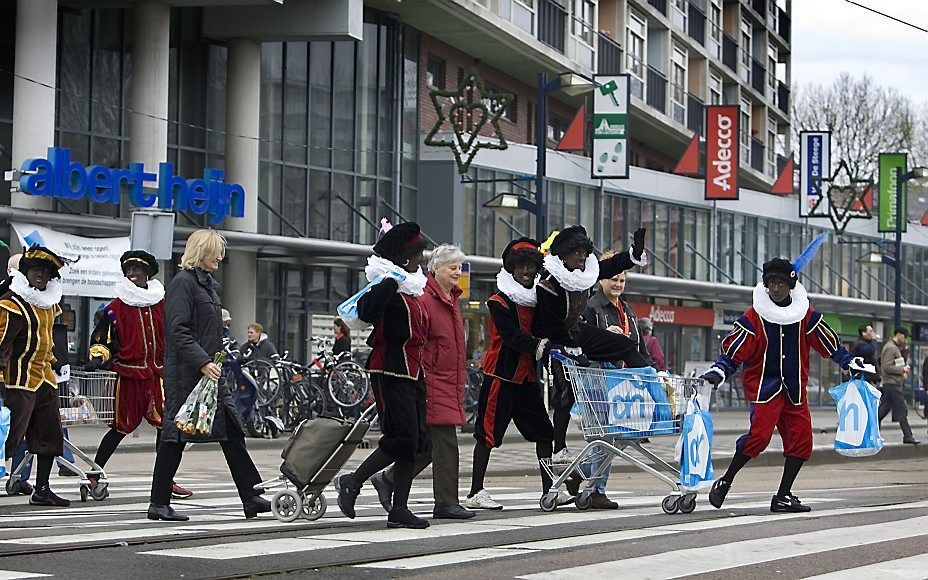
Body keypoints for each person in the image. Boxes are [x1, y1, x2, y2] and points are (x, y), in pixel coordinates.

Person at [700, 257, 865, 513]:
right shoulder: (754, 317)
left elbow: (830, 345)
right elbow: (733, 353)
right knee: (758, 438)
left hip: (795, 391)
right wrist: (718, 371)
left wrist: (849, 362)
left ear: (790, 284)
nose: (775, 288)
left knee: (801, 441)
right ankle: (726, 481)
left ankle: (783, 496)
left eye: (780, 283)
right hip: (765, 390)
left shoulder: (805, 315)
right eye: (770, 283)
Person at [148, 230, 269, 522]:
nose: (220, 257)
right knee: (175, 436)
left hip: (209, 374)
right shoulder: (183, 284)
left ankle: (251, 495)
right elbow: (177, 331)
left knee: (232, 431)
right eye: (215, 251)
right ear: (200, 251)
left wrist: (212, 362)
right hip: (187, 374)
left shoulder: (206, 286)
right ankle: (158, 502)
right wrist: (203, 362)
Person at [463, 238, 574, 511]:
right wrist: (542, 344)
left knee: (544, 433)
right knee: (487, 434)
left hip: (525, 378)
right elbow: (512, 337)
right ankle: (475, 492)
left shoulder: (538, 299)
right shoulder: (498, 301)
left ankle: (550, 491)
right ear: (512, 268)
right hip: (500, 376)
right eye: (521, 265)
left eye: (531, 266)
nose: (526, 270)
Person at [334, 222, 431, 530]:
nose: (421, 261)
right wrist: (386, 284)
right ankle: (352, 481)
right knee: (400, 437)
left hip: (412, 371)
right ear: (404, 258)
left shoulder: (410, 288)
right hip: (389, 369)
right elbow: (364, 312)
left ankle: (399, 508)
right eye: (417, 255)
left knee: (415, 441)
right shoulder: (388, 284)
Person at [373, 244, 475, 520]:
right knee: (445, 442)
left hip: (446, 379)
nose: (457, 271)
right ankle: (446, 502)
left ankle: (389, 479)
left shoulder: (451, 298)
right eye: (451, 267)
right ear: (435, 268)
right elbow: (420, 341)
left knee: (428, 446)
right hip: (431, 379)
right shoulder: (427, 298)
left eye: (459, 267)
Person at [533, 225, 650, 464]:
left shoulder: (585, 272)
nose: (581, 257)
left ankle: (653, 386)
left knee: (624, 344)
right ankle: (560, 448)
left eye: (584, 252)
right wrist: (572, 350)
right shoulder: (549, 282)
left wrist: (632, 254)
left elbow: (610, 266)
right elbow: (550, 323)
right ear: (563, 255)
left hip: (578, 331)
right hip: (555, 339)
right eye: (575, 253)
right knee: (566, 391)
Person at [86, 250, 193, 499]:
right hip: (129, 377)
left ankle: (165, 481)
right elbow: (101, 339)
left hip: (157, 377)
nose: (133, 274)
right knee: (120, 428)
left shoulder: (161, 305)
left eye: (138, 270)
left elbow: (176, 334)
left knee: (165, 428)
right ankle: (94, 473)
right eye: (129, 270)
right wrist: (98, 355)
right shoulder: (115, 308)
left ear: (147, 275)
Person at [577, 264, 653, 509]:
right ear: (601, 280)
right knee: (606, 435)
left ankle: (581, 473)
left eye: (622, 280)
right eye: (613, 279)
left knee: (614, 435)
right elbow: (582, 341)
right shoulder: (591, 307)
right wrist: (604, 333)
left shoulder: (627, 308)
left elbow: (637, 346)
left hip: (621, 379)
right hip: (598, 377)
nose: (618, 284)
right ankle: (595, 488)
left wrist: (651, 371)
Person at [0, 246, 70, 506]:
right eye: (36, 269)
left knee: (50, 436)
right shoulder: (11, 303)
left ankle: (41, 489)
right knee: (10, 439)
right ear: (26, 272)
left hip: (44, 379)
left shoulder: (50, 305)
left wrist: (55, 362)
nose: (40, 275)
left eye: (46, 271)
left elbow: (46, 341)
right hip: (17, 380)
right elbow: (2, 344)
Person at [879, 328, 920, 445]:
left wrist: (905, 349)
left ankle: (871, 433)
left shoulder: (895, 347)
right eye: (905, 337)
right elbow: (887, 366)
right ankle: (908, 436)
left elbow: (900, 361)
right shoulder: (890, 348)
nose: (905, 339)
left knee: (882, 410)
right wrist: (902, 370)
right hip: (892, 383)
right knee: (902, 410)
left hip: (893, 383)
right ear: (899, 335)